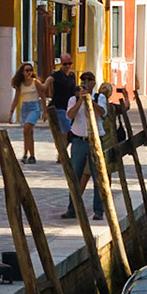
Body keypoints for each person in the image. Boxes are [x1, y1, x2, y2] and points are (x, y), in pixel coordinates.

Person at [63, 73, 110, 220]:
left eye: (89, 80)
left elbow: (102, 113)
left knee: (98, 176)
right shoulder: (73, 99)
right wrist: (80, 100)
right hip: (78, 140)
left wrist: (89, 100)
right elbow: (69, 115)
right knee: (75, 175)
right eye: (84, 80)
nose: (86, 82)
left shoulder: (99, 98)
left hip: (95, 141)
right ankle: (72, 208)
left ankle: (98, 210)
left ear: (94, 83)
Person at [9, 61, 46, 162]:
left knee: (26, 129)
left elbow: (42, 96)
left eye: (31, 70)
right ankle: (29, 155)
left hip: (34, 107)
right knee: (28, 133)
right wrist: (11, 112)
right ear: (22, 72)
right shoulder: (20, 85)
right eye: (27, 70)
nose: (29, 72)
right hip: (24, 107)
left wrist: (45, 111)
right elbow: (16, 99)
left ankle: (29, 154)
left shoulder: (36, 82)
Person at [48, 53, 79, 132]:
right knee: (67, 129)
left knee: (70, 130)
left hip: (69, 106)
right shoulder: (56, 75)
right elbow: (49, 82)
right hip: (59, 107)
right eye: (65, 64)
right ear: (61, 64)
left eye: (70, 63)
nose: (68, 66)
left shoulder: (72, 75)